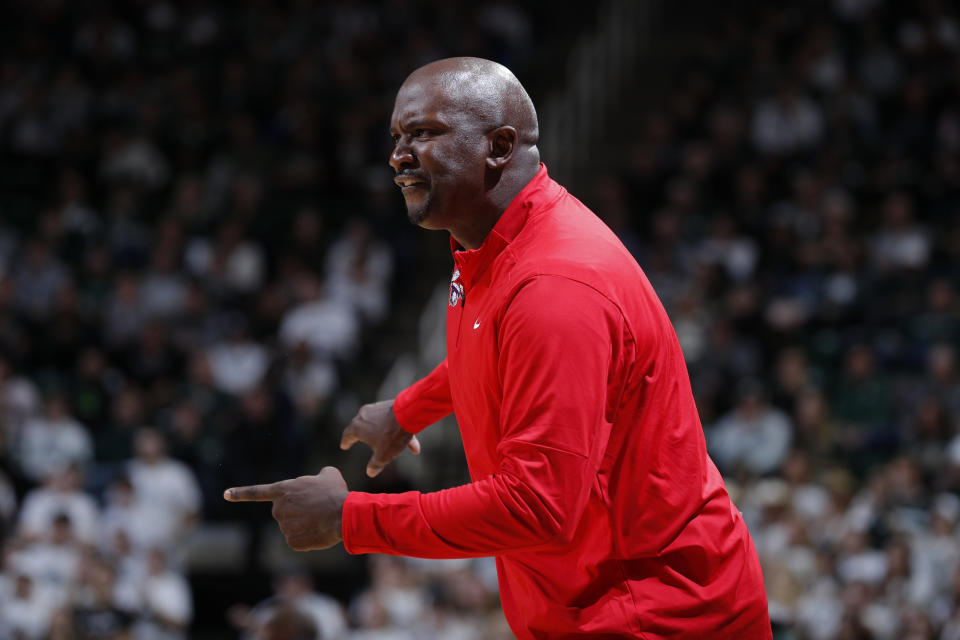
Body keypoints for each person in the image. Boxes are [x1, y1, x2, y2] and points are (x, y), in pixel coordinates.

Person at [226, 57, 772, 639]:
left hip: (658, 613)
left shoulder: (555, 287)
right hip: (596, 601)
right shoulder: (495, 245)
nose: (397, 156)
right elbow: (498, 351)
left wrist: (350, 517)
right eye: (396, 137)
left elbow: (538, 506)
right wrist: (409, 409)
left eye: (424, 134)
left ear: (499, 146)